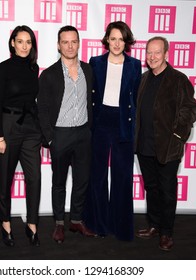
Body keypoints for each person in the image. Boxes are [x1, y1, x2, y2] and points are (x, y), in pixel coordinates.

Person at [135, 36, 196, 251]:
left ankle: (166, 232)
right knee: (151, 188)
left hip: (167, 148)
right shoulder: (143, 79)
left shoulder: (179, 79)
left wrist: (178, 137)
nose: (152, 57)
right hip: (144, 146)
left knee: (167, 191)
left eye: (157, 52)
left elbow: (189, 110)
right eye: (149, 52)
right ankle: (154, 225)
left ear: (167, 55)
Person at [37, 25, 96, 243]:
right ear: (58, 45)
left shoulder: (88, 71)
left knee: (82, 180)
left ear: (79, 43)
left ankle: (77, 220)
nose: (70, 46)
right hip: (60, 135)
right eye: (65, 42)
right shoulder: (49, 74)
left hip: (83, 134)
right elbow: (41, 108)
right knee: (59, 182)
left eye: (74, 41)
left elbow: (93, 102)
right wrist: (51, 138)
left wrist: (89, 130)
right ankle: (60, 223)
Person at [84, 21, 142, 241]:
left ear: (126, 41)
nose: (117, 43)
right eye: (113, 38)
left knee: (123, 176)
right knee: (97, 176)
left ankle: (121, 227)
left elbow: (135, 99)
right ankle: (98, 224)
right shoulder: (95, 62)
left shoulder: (135, 65)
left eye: (121, 38)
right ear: (107, 39)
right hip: (100, 123)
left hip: (123, 123)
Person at [0, 25, 42, 247]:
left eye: (28, 42)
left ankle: (32, 223)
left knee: (35, 178)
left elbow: (32, 100)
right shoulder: (2, 69)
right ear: (12, 43)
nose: (24, 46)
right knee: (5, 179)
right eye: (20, 41)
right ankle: (5, 222)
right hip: (8, 125)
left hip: (30, 127)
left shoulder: (34, 68)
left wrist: (39, 130)